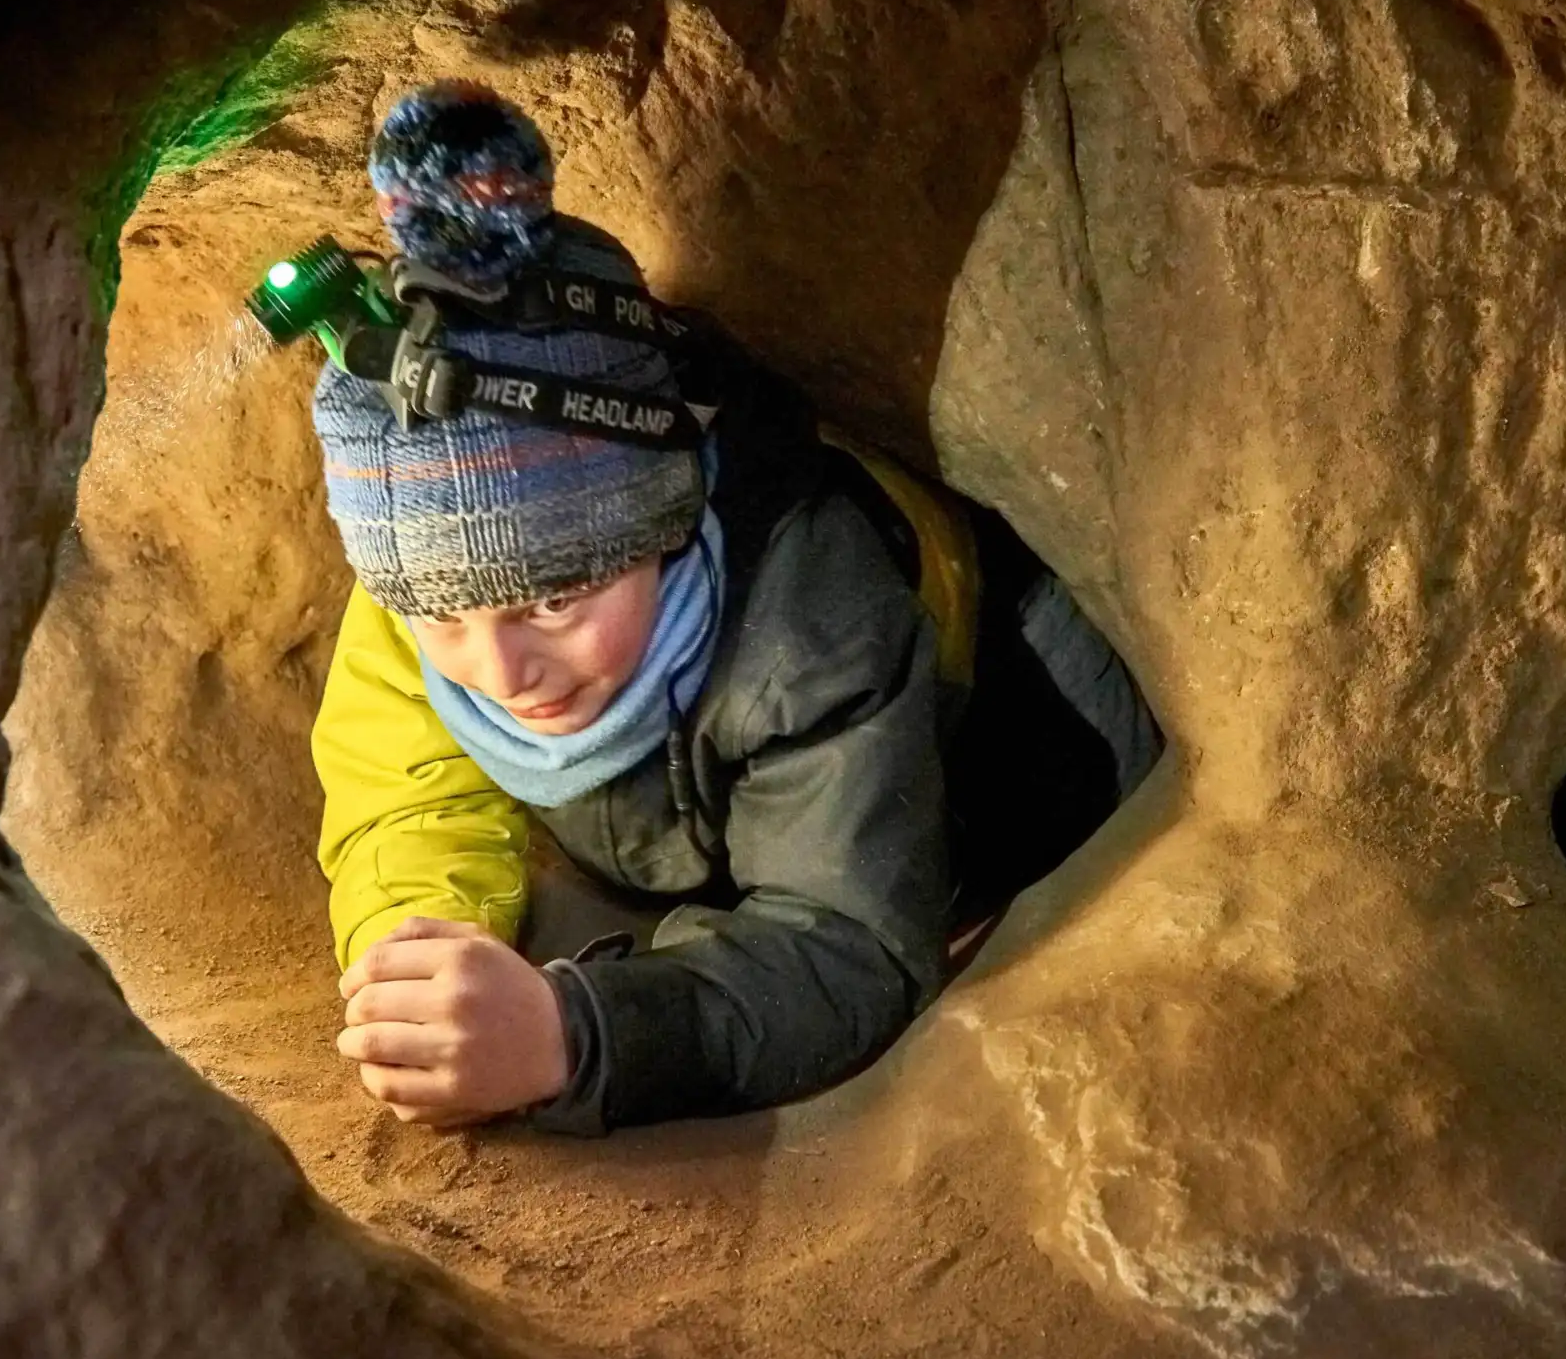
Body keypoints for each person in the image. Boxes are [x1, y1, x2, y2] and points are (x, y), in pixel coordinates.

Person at [308, 81, 1160, 1135]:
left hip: (1012, 744)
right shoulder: (428, 585)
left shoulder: (806, 630)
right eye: (444, 618)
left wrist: (577, 1033)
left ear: (663, 530)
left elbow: (845, 944)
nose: (500, 667)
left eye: (558, 598)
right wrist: (417, 942)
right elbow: (405, 797)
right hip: (714, 811)